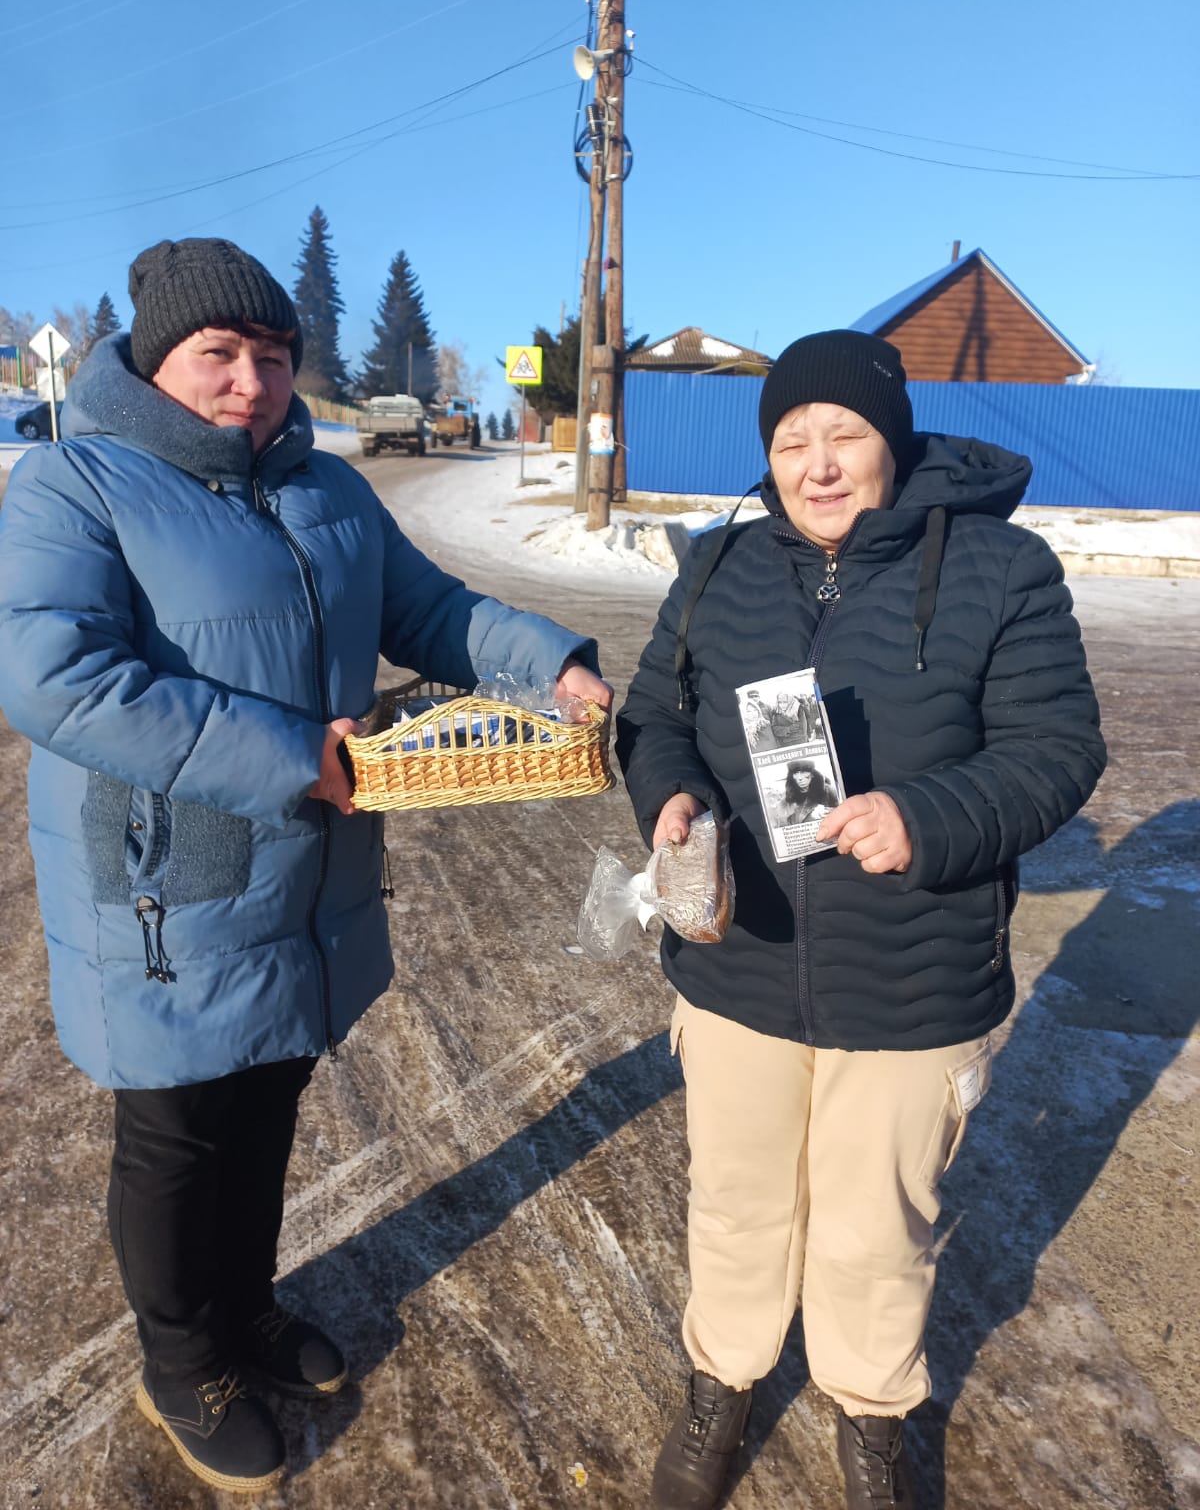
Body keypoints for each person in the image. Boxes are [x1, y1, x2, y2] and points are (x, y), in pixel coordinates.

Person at [0, 237, 611, 1496]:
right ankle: (184, 1362)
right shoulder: (75, 486)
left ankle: (247, 1307)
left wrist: (545, 659)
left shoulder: (327, 492)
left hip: (307, 864)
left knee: (270, 1096)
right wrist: (288, 753)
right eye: (217, 355)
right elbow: (55, 678)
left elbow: (433, 610)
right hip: (170, 868)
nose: (249, 383)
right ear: (154, 358)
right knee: (179, 1125)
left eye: (272, 357)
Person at [616, 329, 1105, 1510]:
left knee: (875, 1230)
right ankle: (721, 1382)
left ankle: (872, 1410)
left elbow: (1060, 750)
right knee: (735, 1201)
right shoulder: (718, 568)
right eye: (792, 442)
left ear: (893, 441)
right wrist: (669, 792)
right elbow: (653, 713)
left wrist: (928, 818)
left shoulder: (1001, 568)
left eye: (845, 435)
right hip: (740, 961)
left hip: (913, 978)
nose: (819, 464)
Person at [776, 758, 838, 829]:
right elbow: (782, 826)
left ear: (812, 774)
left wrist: (831, 812)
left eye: (803, 772)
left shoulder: (828, 791)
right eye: (795, 773)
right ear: (792, 776)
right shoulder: (785, 800)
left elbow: (841, 812)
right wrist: (811, 818)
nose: (800, 778)